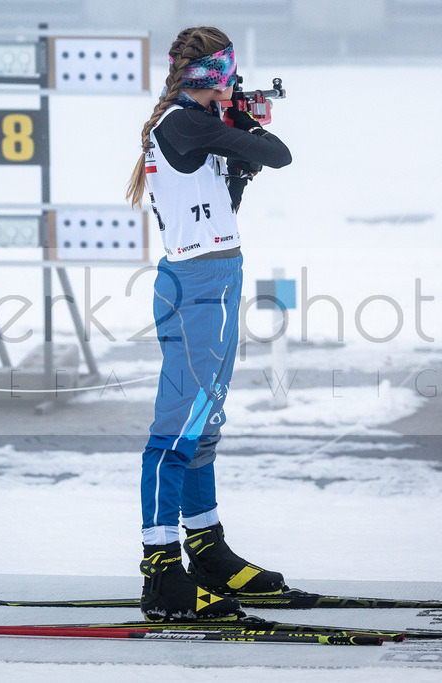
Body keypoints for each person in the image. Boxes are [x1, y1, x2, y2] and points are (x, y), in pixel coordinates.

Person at [126, 26, 292, 621]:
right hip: (199, 288)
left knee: (202, 422)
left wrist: (235, 146)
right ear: (215, 74)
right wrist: (243, 127)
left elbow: (225, 196)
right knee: (175, 431)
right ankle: (162, 572)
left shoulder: (190, 124)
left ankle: (206, 549)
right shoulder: (184, 123)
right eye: (227, 75)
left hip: (212, 283)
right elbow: (279, 152)